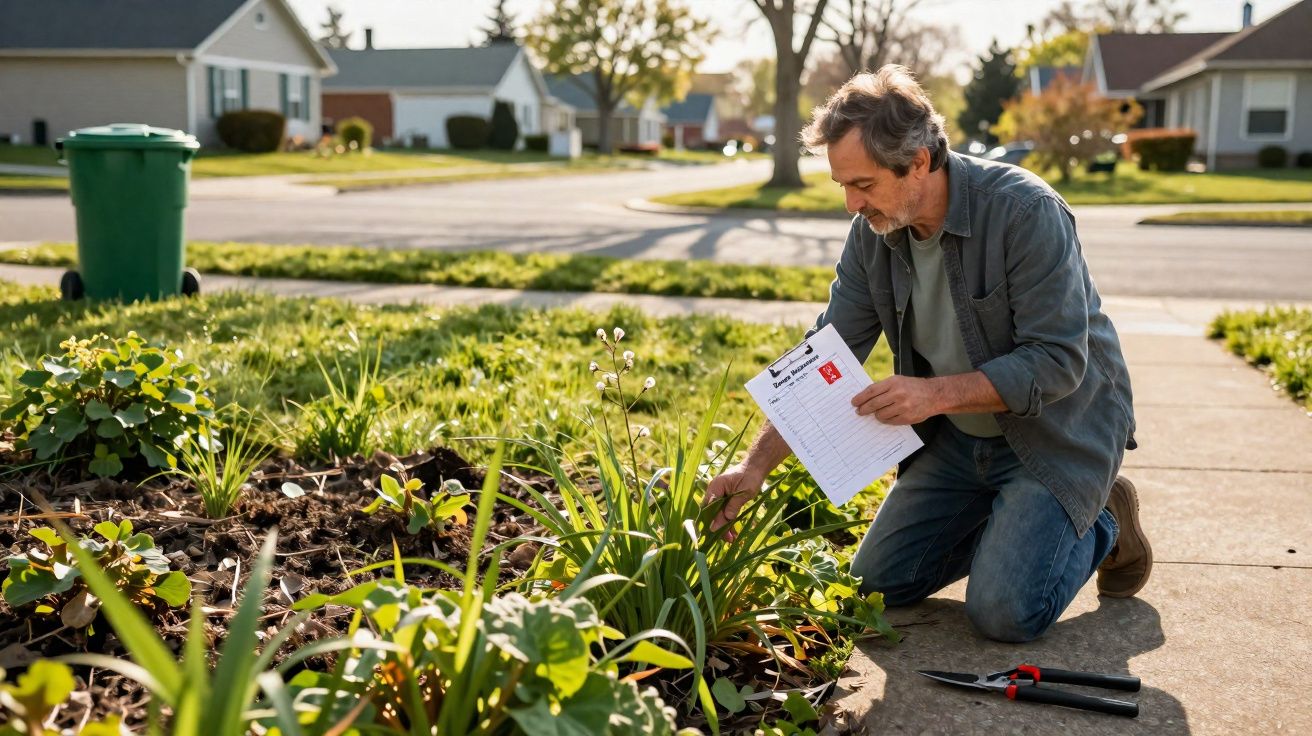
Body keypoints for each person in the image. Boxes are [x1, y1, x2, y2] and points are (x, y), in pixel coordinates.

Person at [702, 66, 1150, 643]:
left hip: (1053, 435)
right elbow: (825, 352)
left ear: (917, 162)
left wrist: (932, 395)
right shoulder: (874, 233)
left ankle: (1102, 514)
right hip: (959, 441)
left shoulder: (1024, 212)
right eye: (843, 185)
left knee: (1004, 614)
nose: (849, 204)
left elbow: (1059, 361)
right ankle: (1013, 523)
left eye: (862, 184)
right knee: (870, 589)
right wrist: (754, 467)